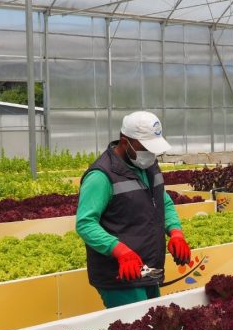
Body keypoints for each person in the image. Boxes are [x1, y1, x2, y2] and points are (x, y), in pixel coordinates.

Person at [76, 111, 192, 309]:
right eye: (144, 147)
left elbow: (163, 202)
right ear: (124, 141)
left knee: (153, 329)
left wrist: (176, 233)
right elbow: (85, 224)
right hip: (121, 275)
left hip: (148, 269)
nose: (150, 153)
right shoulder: (102, 175)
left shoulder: (149, 166)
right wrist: (121, 251)